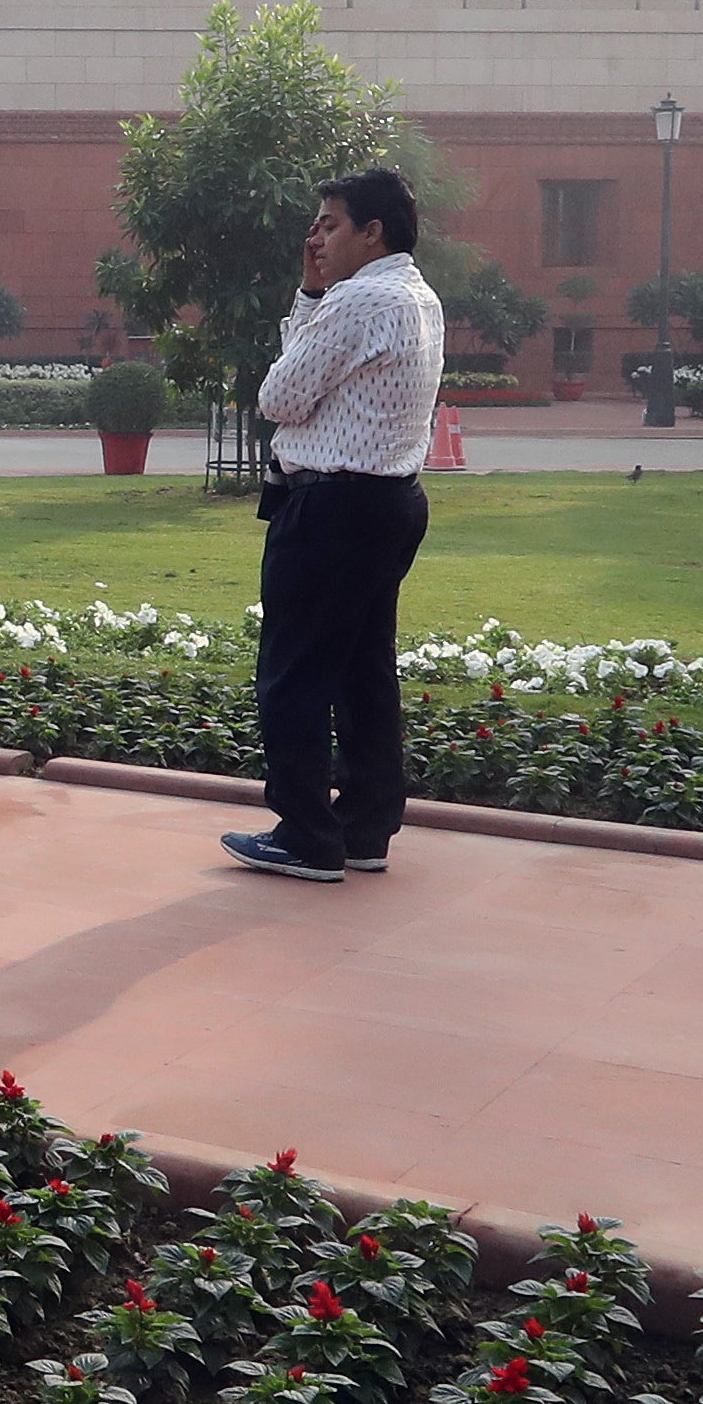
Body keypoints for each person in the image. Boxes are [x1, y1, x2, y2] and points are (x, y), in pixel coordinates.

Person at [221, 168, 447, 885]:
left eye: (331, 223)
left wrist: (315, 299)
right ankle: (364, 828)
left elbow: (279, 395)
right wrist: (313, 293)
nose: (318, 235)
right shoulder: (417, 294)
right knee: (362, 671)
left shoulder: (360, 297)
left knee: (292, 676)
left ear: (371, 232)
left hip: (332, 508)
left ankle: (306, 837)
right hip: (388, 503)